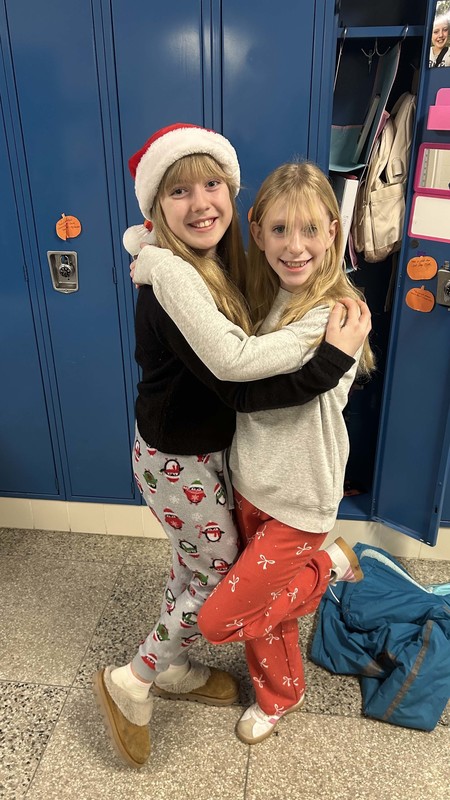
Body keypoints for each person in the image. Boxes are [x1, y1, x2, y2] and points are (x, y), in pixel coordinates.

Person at [93, 123, 371, 769]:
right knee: (208, 579)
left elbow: (253, 382)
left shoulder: (225, 272)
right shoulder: (176, 272)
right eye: (179, 190)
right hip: (182, 462)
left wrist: (332, 357)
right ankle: (154, 674)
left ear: (335, 230)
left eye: (211, 184)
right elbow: (238, 370)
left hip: (232, 472)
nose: (200, 203)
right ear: (155, 207)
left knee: (210, 594)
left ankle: (150, 673)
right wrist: (154, 257)